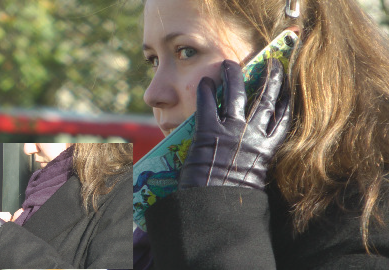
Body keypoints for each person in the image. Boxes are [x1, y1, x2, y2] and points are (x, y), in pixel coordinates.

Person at [134, 0, 389, 269]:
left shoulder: (370, 221)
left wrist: (218, 210)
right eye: (153, 60)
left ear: (283, 56)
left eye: (186, 51)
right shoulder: (147, 230)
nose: (152, 94)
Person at [0, 143, 133, 269]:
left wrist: (3, 242)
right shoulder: (46, 186)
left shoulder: (128, 190)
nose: (28, 149)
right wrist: (1, 234)